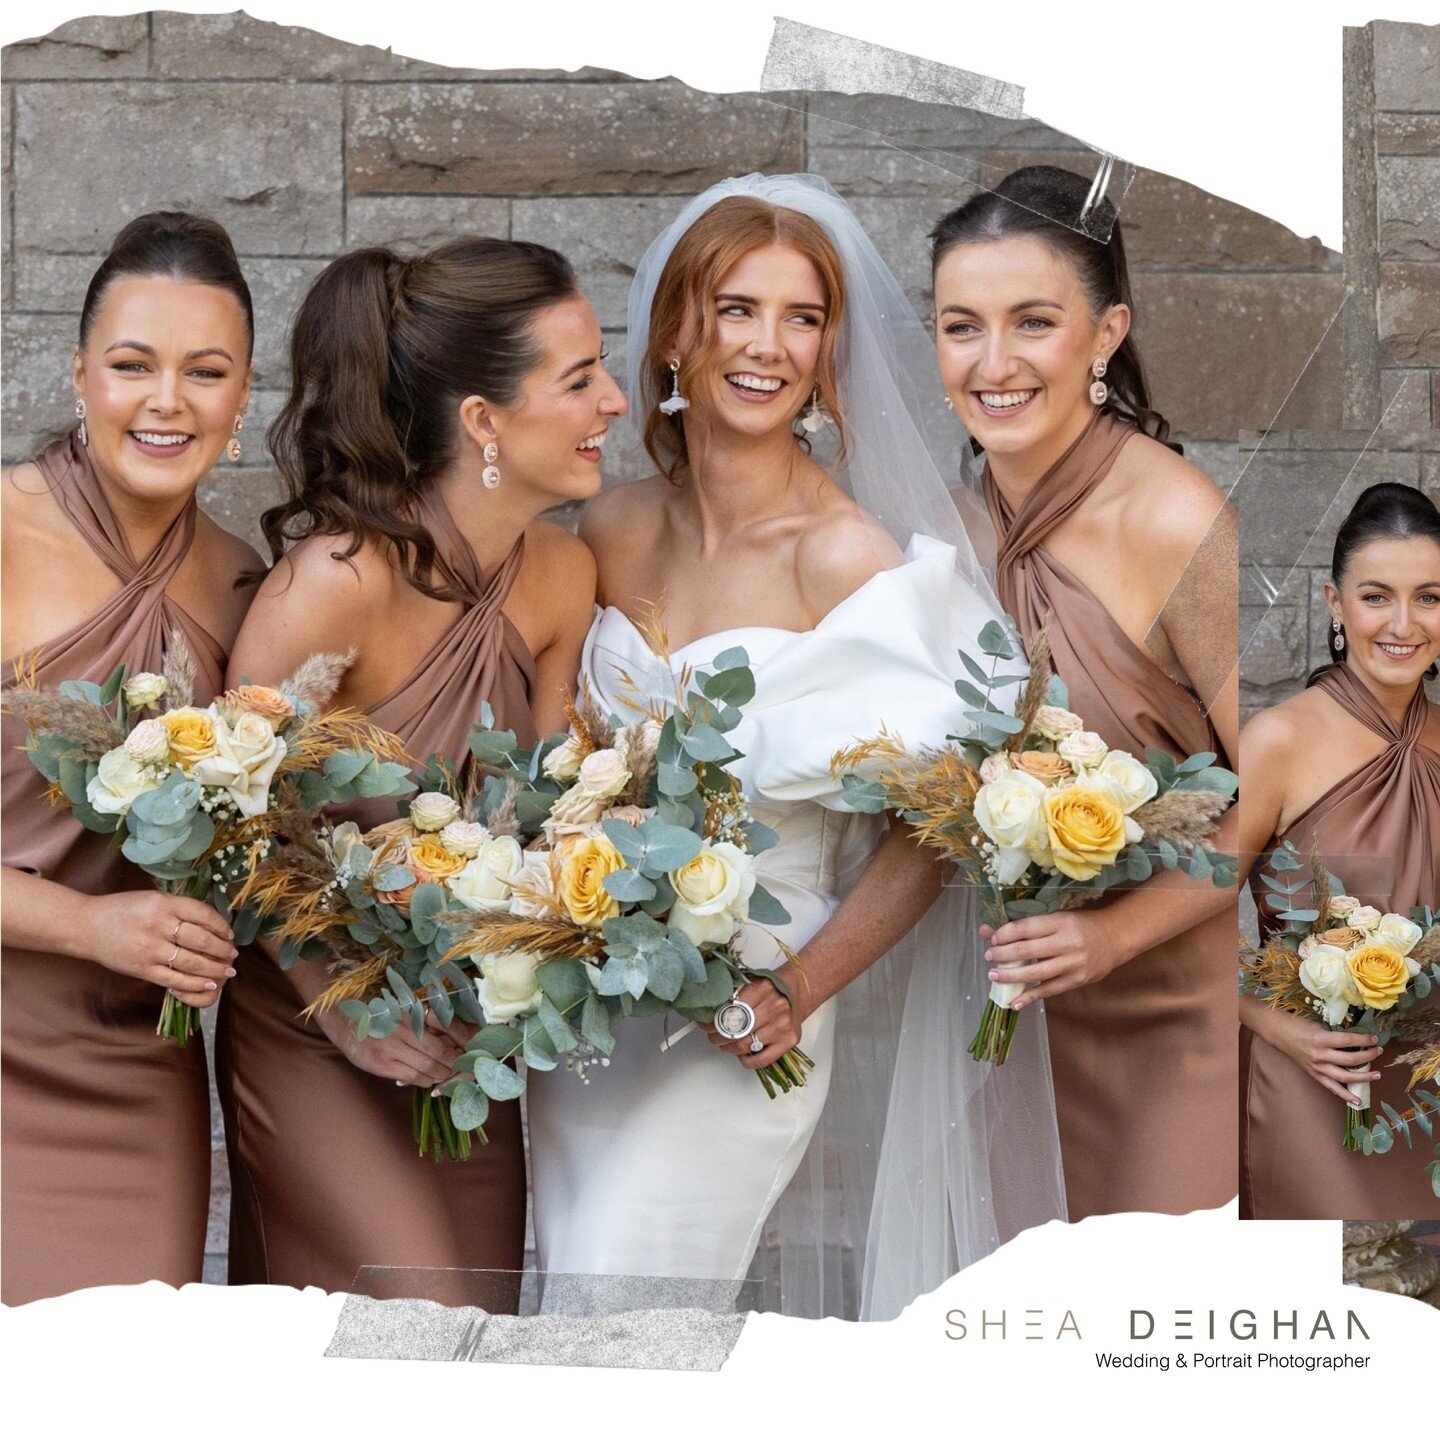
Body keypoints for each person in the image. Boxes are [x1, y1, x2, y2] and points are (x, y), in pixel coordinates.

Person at [526, 174, 1065, 1322]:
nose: (767, 344)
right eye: (737, 308)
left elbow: (938, 831)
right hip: (595, 1006)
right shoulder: (611, 528)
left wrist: (797, 985)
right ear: (679, 329)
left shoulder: (851, 558)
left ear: (829, 353)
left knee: (626, 1315)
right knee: (576, 1305)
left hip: (751, 1009)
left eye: (803, 317)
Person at [215, 238, 627, 1293]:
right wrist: (342, 1009)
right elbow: (226, 820)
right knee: (424, 1324)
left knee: (475, 1340)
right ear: (484, 421)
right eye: (578, 380)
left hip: (459, 1044)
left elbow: (548, 813)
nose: (614, 403)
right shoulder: (332, 584)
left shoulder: (563, 575)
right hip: (314, 1030)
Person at [932, 165, 1240, 1218]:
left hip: (1165, 1013)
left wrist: (1108, 937)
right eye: (961, 327)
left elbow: (1289, 800)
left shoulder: (1174, 519)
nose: (994, 363)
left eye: (1033, 322)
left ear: (1107, 334)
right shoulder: (947, 529)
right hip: (1001, 1019)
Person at [2, 212, 259, 1303]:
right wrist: (88, 924)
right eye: (132, 366)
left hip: (134, 1067)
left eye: (206, 371)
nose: (168, 402)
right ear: (78, 375)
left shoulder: (247, 586)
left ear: (244, 398)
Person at [1240, 482, 1440, 1219]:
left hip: (1428, 1105)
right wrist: (1273, 1025)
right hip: (1312, 1098)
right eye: (1377, 596)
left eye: (1429, 597)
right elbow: (1176, 924)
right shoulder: (1278, 743)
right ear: (1334, 603)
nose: (1403, 623)